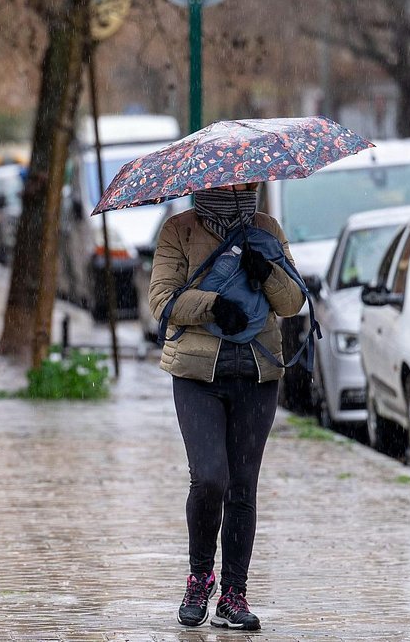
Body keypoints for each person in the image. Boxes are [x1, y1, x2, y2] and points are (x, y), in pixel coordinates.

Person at [147, 182, 305, 631]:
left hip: (257, 374)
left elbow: (292, 302)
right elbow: (161, 300)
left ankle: (234, 594)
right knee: (209, 478)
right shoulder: (179, 229)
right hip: (197, 375)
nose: (243, 186)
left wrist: (266, 272)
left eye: (248, 180)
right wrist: (213, 306)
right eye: (234, 180)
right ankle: (200, 577)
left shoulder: (267, 228)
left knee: (242, 487)